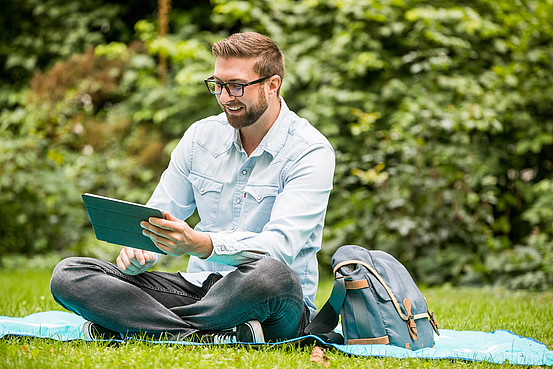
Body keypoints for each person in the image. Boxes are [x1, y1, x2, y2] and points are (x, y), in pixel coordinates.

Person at [50, 32, 335, 343]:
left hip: (270, 300)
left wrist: (201, 244)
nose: (226, 97)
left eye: (237, 86)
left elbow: (280, 248)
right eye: (217, 85)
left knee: (272, 275)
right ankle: (204, 334)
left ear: (272, 84)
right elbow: (159, 217)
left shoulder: (310, 151)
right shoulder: (200, 137)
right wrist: (140, 250)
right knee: (70, 274)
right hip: (198, 292)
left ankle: (133, 324)